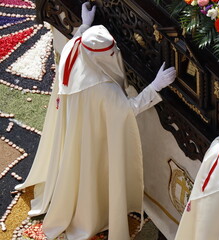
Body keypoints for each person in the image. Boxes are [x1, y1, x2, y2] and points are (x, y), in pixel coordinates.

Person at [15, 2, 176, 240]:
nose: (115, 54)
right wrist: (155, 87)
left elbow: (79, 41)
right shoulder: (103, 89)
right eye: (111, 53)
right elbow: (127, 111)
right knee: (95, 170)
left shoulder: (76, 49)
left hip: (75, 125)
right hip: (93, 135)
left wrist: (85, 26)